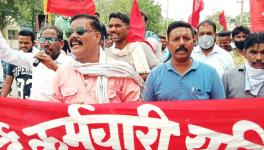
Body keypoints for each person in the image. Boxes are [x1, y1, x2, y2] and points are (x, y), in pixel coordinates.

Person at [52, 14, 142, 104]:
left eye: (80, 31)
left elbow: (133, 112)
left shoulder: (121, 72)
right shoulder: (62, 73)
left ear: (97, 36)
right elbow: (55, 111)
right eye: (69, 32)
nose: (73, 36)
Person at [143, 21, 225, 101]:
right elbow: (146, 110)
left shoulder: (210, 73)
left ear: (193, 42)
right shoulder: (154, 75)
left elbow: (221, 109)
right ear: (167, 44)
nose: (182, 43)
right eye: (176, 39)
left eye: (186, 38)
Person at [0, 25, 71, 101]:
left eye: (51, 39)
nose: (46, 43)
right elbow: (6, 54)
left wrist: (54, 67)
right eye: (43, 39)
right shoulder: (35, 58)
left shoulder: (69, 63)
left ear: (61, 44)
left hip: (55, 111)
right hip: (34, 109)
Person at [106, 12, 159, 80]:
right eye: (110, 26)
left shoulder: (142, 47)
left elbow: (158, 72)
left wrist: (136, 78)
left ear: (128, 29)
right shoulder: (107, 53)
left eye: (117, 26)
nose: (113, 29)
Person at [223, 32, 264, 98]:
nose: (259, 58)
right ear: (244, 53)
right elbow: (221, 104)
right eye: (253, 52)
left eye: (263, 52)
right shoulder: (228, 76)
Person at [1, 30, 35, 99]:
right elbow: (7, 84)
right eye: (20, 42)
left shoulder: (38, 59)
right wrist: (2, 100)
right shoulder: (14, 60)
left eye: (26, 43)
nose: (23, 45)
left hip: (36, 103)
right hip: (21, 104)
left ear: (33, 44)